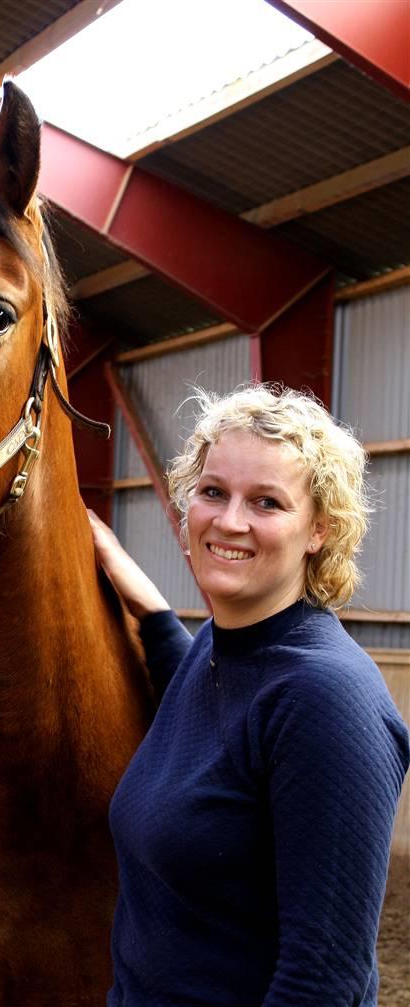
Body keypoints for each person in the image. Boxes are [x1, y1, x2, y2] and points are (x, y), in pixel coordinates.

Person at [89, 384, 409, 1007]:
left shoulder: (328, 699)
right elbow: (224, 725)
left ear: (319, 530)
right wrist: (151, 608)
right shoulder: (219, 649)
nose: (229, 520)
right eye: (213, 492)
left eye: (266, 502)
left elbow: (324, 982)